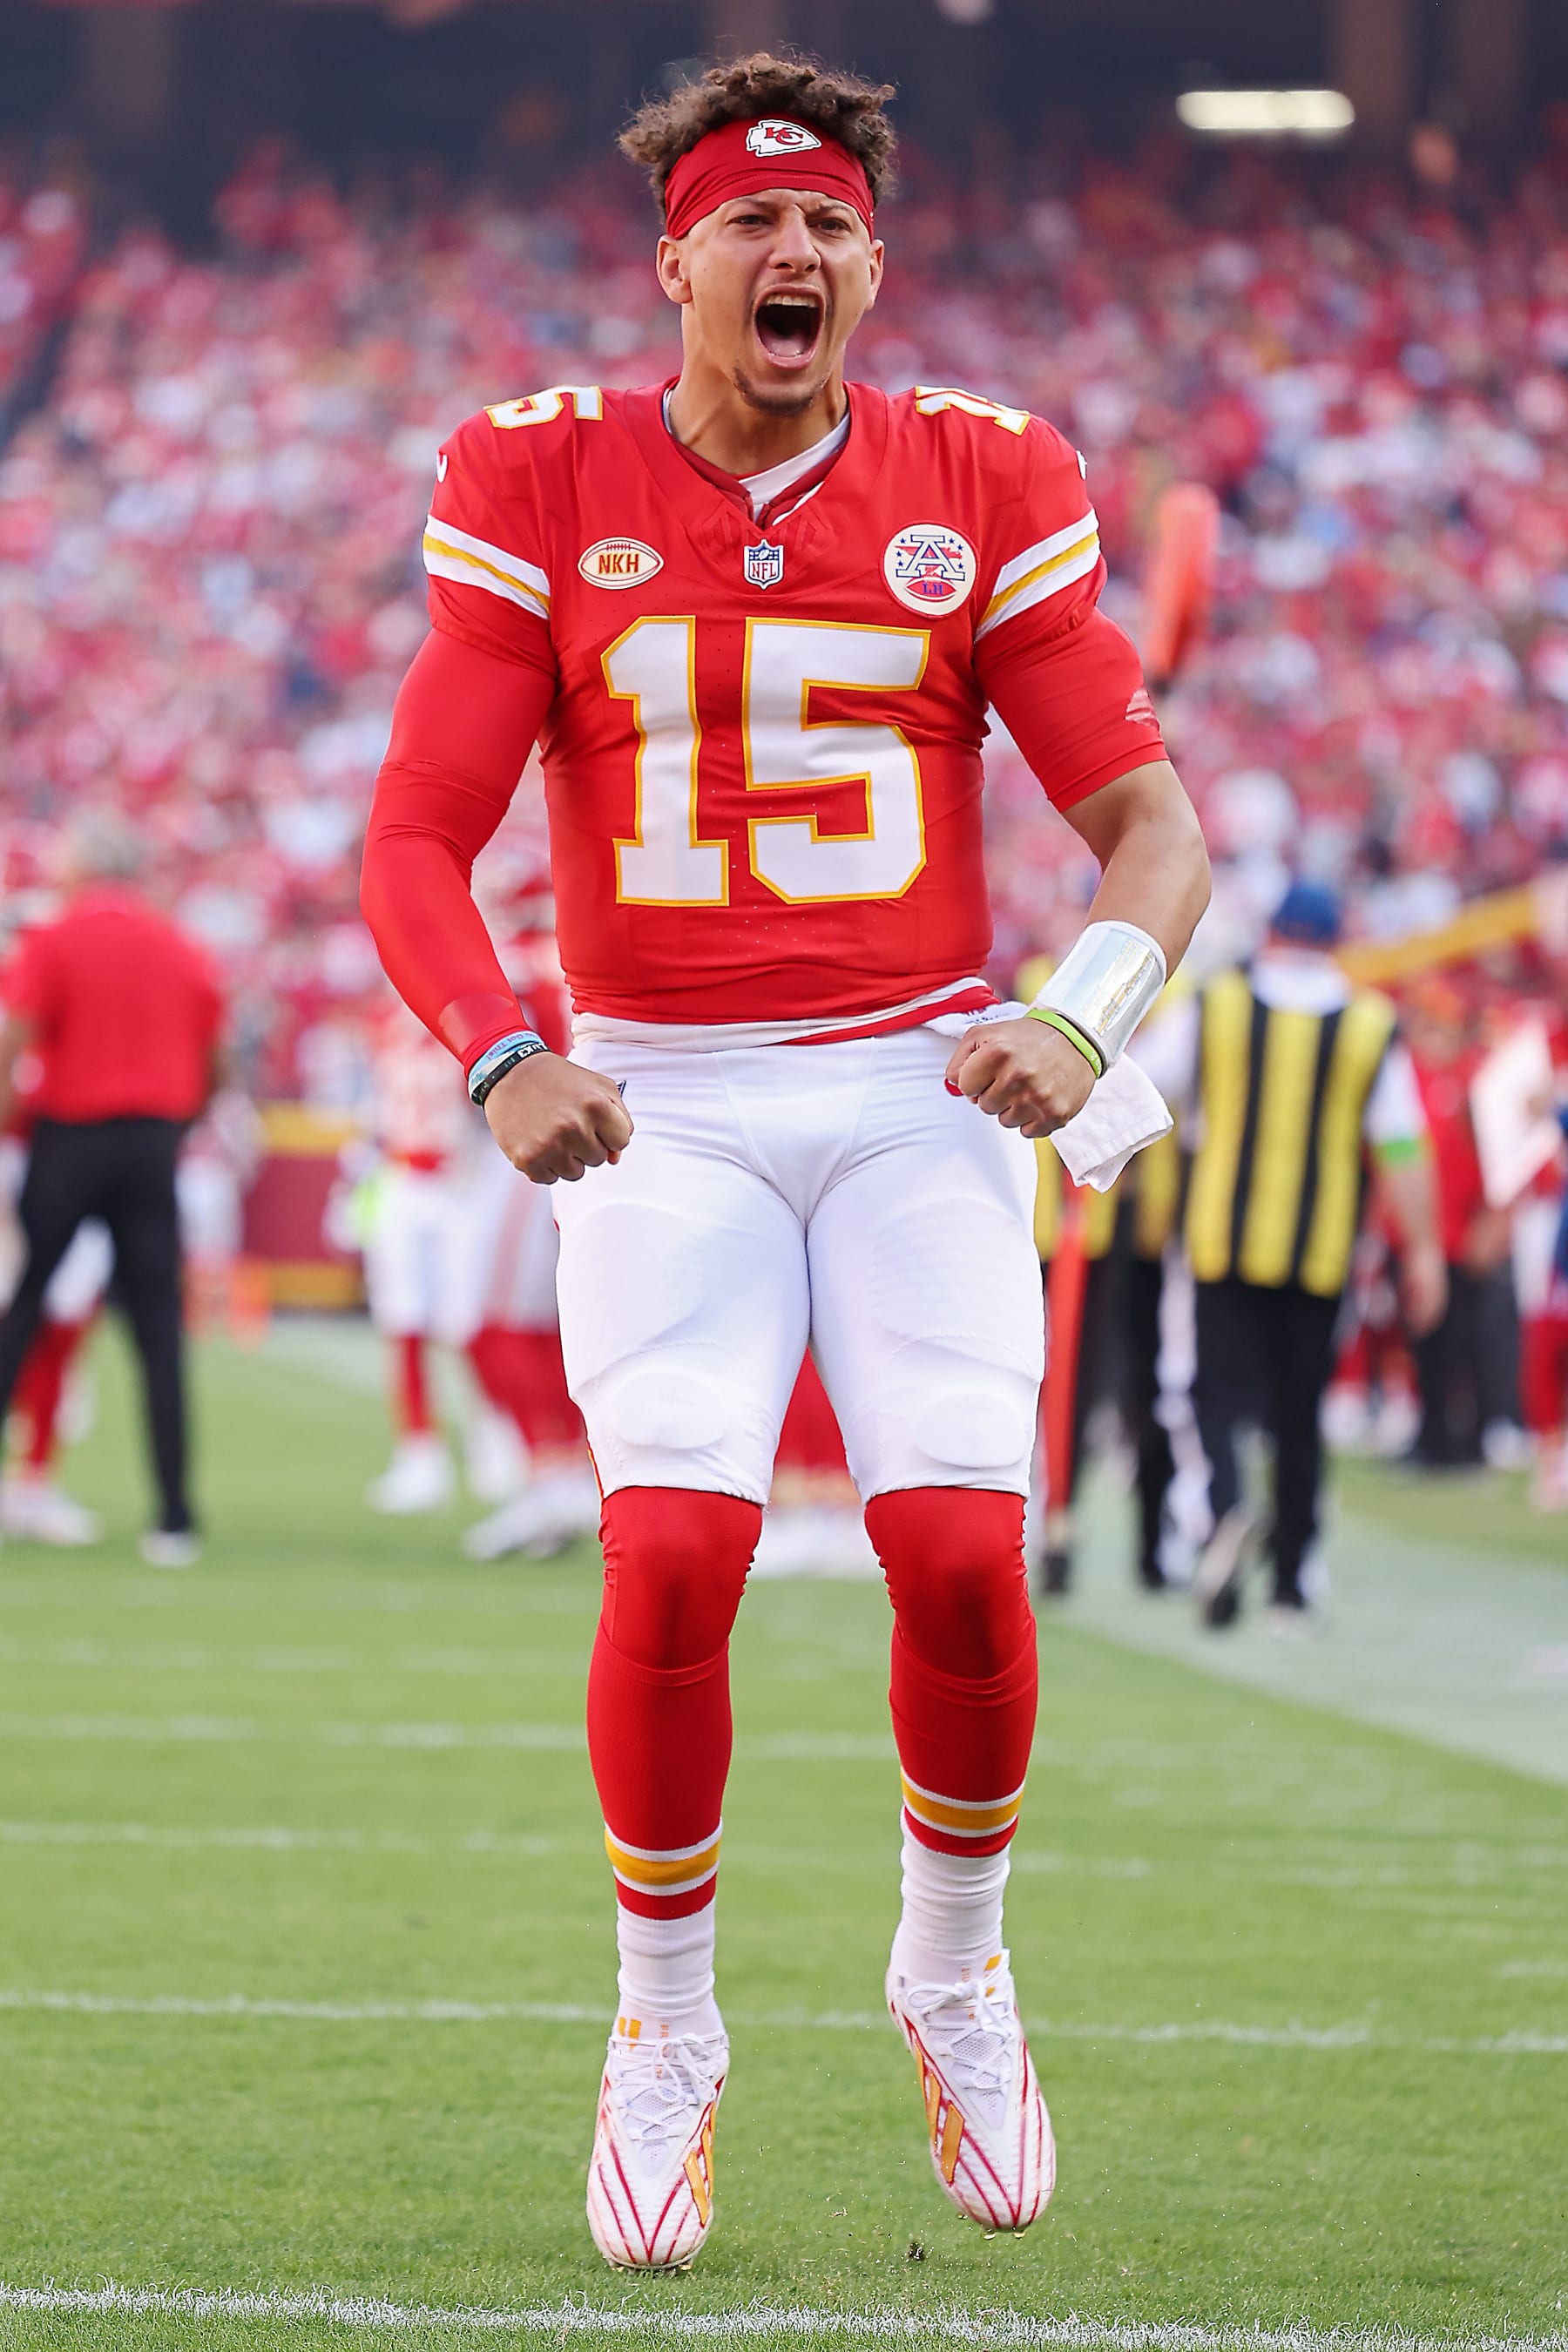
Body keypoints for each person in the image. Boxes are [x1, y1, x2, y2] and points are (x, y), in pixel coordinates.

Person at [360, 53, 1209, 2268]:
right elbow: (417, 834)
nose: (795, 251)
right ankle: (663, 2021)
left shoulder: (981, 475)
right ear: (678, 264)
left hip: (922, 1079)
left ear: (874, 263)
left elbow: (1152, 826)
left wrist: (1078, 1015)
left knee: (960, 1552)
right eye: (752, 220)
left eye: (830, 221)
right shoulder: (541, 473)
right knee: (670, 1556)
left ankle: (955, 1965)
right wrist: (499, 1048)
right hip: (664, 1090)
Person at [1136, 882, 1447, 1630]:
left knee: (1212, 1395)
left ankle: (1226, 1510)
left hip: (1221, 1239)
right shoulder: (1369, 1024)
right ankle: (1291, 1584)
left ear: (1273, 933)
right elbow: (1402, 1146)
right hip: (1322, 1249)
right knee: (1298, 1415)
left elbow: (1142, 1084)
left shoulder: (1217, 1004)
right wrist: (1425, 1251)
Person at [0, 814, 225, 1566]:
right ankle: (174, 1515)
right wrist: (176, 1124)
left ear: (83, 866)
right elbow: (216, 1056)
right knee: (159, 1333)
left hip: (68, 1135)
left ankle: (25, 1479)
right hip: (152, 1140)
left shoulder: (55, 936)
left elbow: (15, 1037)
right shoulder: (180, 942)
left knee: (22, 1311)